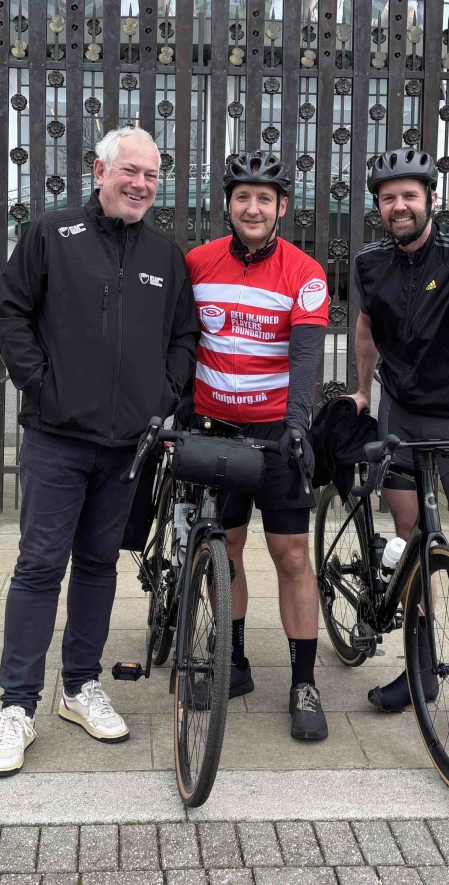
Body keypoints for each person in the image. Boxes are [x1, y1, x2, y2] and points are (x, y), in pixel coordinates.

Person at [0, 126, 201, 776]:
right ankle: (17, 706)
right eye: (129, 171)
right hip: (57, 439)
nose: (140, 184)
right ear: (99, 170)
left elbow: (184, 337)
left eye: (151, 176)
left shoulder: (166, 256)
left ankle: (79, 686)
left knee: (100, 564)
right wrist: (41, 385)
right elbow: (8, 311)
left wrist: (162, 396)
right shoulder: (53, 235)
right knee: (40, 565)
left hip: (126, 446)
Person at [346, 147, 449, 750]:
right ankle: (421, 671)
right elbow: (364, 333)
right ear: (379, 207)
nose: (399, 205)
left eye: (409, 194)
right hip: (401, 415)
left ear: (430, 199)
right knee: (414, 541)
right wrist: (361, 394)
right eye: (388, 198)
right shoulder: (368, 260)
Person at [182, 152, 331, 740]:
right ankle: (235, 663)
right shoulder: (196, 262)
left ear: (281, 208)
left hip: (276, 433)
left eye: (264, 198)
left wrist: (297, 423)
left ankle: (303, 681)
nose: (252, 207)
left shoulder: (306, 271)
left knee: (292, 556)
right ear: (227, 203)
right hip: (215, 430)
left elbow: (306, 356)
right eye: (243, 196)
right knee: (229, 547)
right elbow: (180, 340)